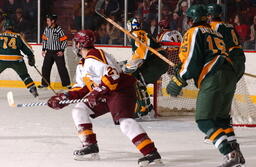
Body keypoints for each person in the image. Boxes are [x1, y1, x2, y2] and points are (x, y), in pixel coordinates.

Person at [47, 30, 162, 166]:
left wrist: (97, 92)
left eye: (76, 42)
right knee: (79, 110)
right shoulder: (82, 64)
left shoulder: (94, 56)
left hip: (121, 91)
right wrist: (63, 98)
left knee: (125, 123)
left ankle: (151, 154)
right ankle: (90, 146)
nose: (74, 45)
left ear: (79, 44)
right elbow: (81, 88)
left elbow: (113, 76)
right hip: (106, 94)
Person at [166, 4, 245, 167]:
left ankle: (230, 154)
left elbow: (192, 62)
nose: (186, 21)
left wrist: (179, 79)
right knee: (222, 119)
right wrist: (181, 66)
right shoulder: (215, 32)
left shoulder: (194, 32)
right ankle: (236, 153)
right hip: (229, 73)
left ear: (192, 19)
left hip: (214, 75)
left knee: (204, 120)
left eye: (188, 18)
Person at [207, 3, 246, 165]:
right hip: (239, 60)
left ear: (209, 16)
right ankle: (235, 148)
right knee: (223, 102)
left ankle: (218, 132)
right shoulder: (228, 25)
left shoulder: (213, 27)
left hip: (227, 63)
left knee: (216, 103)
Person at [123, 18, 169, 118]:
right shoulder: (143, 33)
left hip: (156, 62)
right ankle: (148, 108)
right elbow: (141, 55)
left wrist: (127, 67)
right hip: (157, 61)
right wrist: (128, 63)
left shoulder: (136, 34)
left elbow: (140, 53)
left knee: (136, 80)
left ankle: (144, 109)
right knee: (136, 78)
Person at [0, 19, 38, 97]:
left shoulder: (0, 35)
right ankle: (33, 89)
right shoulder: (18, 36)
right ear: (12, 27)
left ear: (4, 27)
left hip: (2, 59)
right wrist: (31, 57)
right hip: (16, 60)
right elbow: (28, 48)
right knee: (24, 75)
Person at [38, 14, 71, 89]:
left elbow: (64, 41)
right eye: (47, 20)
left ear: (53, 21)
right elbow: (44, 39)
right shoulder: (47, 29)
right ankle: (45, 84)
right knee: (45, 68)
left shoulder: (59, 29)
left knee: (62, 68)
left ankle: (67, 84)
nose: (47, 22)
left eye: (48, 20)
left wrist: (62, 50)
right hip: (49, 52)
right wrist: (43, 49)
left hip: (57, 52)